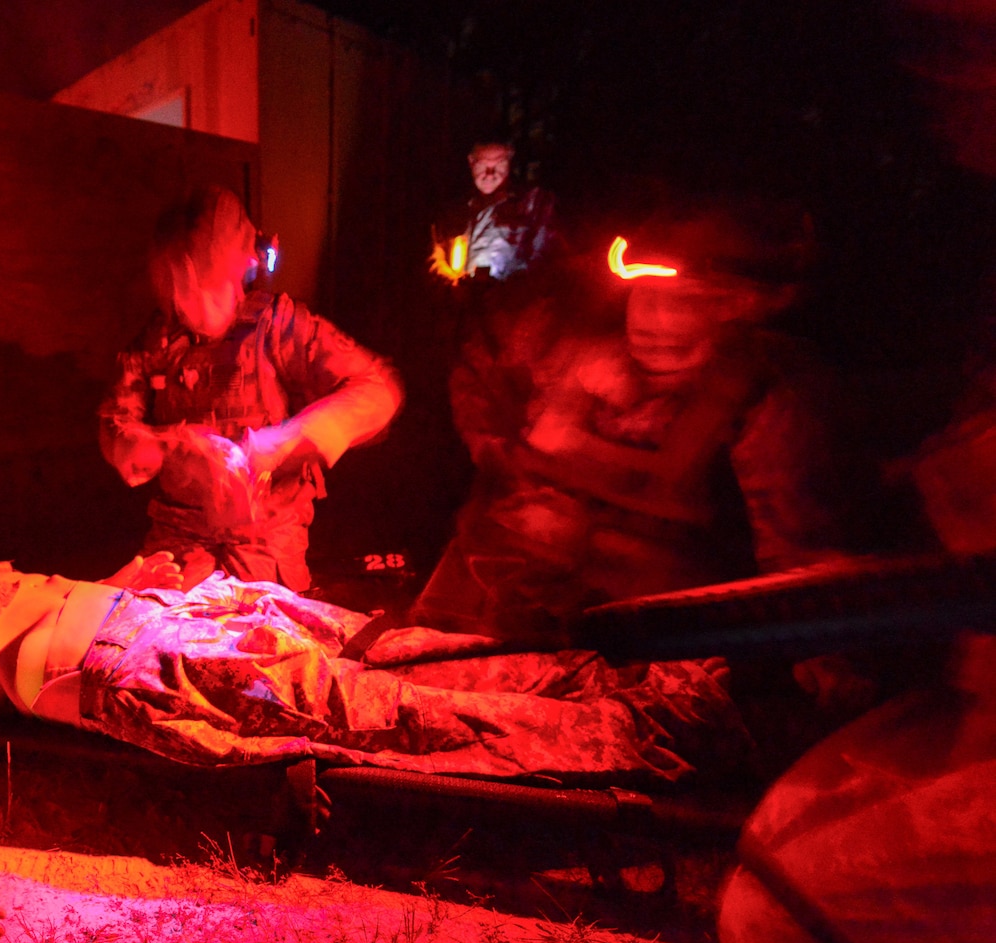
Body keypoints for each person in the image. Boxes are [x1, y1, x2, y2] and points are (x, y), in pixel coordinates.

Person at [0, 549, 743, 943]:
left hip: (191, 610)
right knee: (387, 710)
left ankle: (655, 682)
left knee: (406, 655)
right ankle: (661, 738)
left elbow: (33, 595)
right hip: (142, 666)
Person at [415, 198, 842, 642]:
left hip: (648, 642)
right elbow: (482, 369)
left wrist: (823, 659)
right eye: (642, 294)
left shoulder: (763, 400)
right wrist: (502, 453)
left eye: (685, 301)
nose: (652, 318)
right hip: (485, 625)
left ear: (738, 307)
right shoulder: (571, 354)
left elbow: (800, 558)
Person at [98, 187, 403, 592]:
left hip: (266, 541)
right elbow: (114, 427)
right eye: (182, 287)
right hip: (178, 542)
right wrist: (176, 446)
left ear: (241, 265)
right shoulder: (157, 340)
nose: (196, 306)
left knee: (269, 641)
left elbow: (378, 389)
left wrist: (278, 443)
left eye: (207, 284)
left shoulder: (280, 326)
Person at [429, 142, 559, 287]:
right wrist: (453, 283)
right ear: (471, 162)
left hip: (513, 304)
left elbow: (545, 257)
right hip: (462, 302)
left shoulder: (534, 204)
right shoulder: (453, 209)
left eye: (499, 165)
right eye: (483, 165)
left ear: (509, 163)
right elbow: (436, 257)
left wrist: (511, 289)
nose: (490, 174)